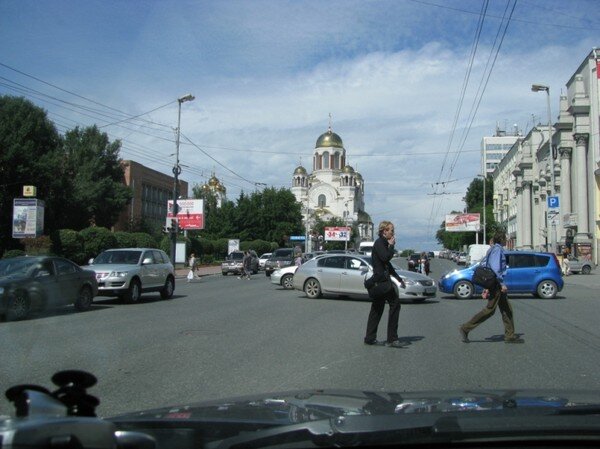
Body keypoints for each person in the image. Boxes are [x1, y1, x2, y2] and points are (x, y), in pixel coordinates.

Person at [459, 231, 524, 344]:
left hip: (494, 282)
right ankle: (465, 328)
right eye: (505, 238)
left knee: (507, 309)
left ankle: (510, 335)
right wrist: (501, 283)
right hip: (496, 284)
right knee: (489, 310)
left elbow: (486, 265)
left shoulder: (493, 249)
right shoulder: (497, 250)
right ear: (501, 239)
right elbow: (495, 267)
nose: (506, 240)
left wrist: (488, 286)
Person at [364, 220, 406, 348]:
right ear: (384, 231)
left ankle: (370, 338)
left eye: (393, 230)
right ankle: (392, 339)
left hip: (380, 282)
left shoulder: (382, 243)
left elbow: (387, 265)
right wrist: (391, 246)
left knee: (377, 309)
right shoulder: (379, 243)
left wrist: (398, 279)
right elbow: (385, 258)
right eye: (391, 230)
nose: (393, 233)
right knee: (395, 304)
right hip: (381, 282)